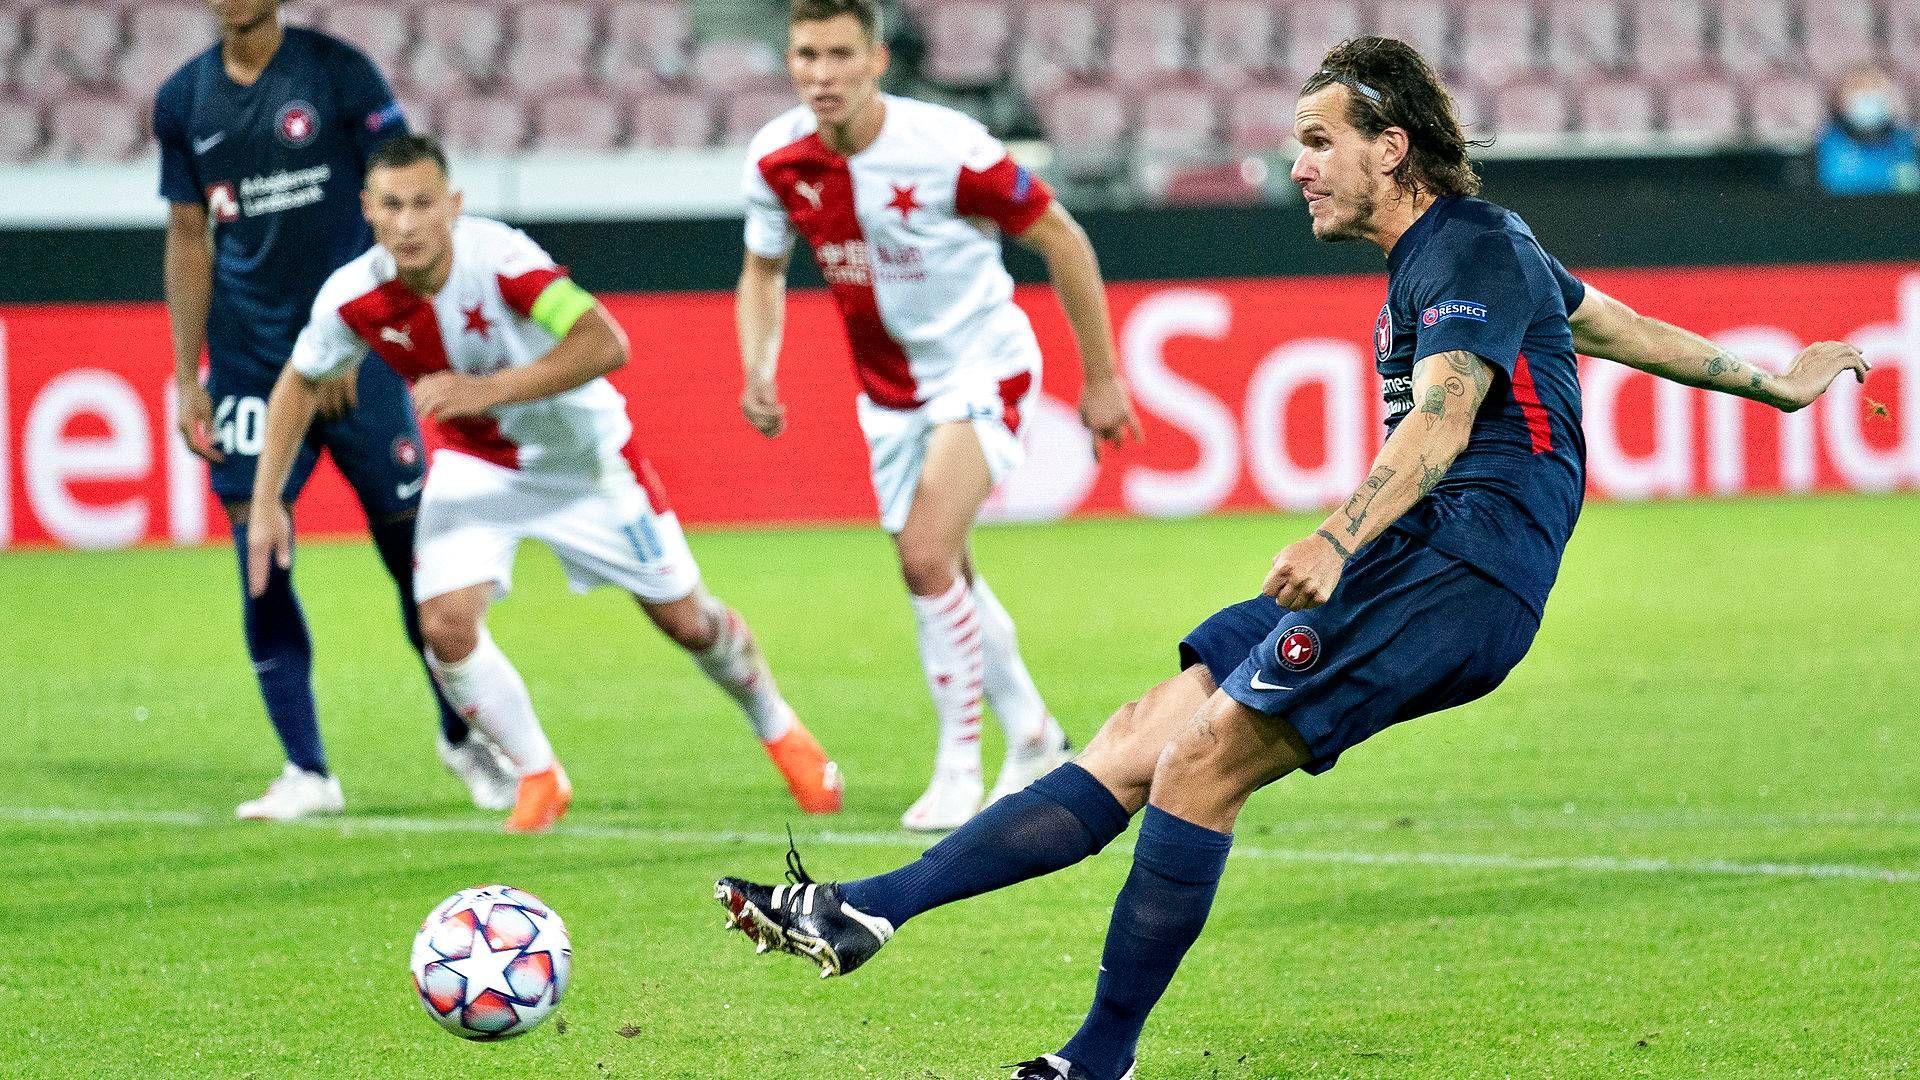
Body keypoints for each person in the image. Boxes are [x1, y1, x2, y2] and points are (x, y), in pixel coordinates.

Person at [713, 37, 1872, 1079]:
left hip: (1462, 564)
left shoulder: (1464, 245)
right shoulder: (1474, 253)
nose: (1298, 166)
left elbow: (1445, 418)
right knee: (1142, 734)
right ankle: (868, 910)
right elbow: (1611, 324)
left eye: (1320, 142)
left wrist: (1335, 534)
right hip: (1418, 553)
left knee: (1202, 764)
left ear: (1394, 147)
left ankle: (1097, 1060)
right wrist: (1773, 385)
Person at [247, 135, 843, 832]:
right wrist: (266, 504)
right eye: (391, 206)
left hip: (586, 461)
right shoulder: (354, 297)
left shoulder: (502, 262)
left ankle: (780, 729)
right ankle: (537, 773)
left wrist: (486, 389)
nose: (407, 223)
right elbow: (301, 378)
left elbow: (605, 342)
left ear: (454, 207)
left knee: (688, 620)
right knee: (442, 623)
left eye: (422, 204)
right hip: (478, 465)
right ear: (367, 211)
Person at [736, 0, 1143, 831]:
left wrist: (1101, 379)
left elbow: (1063, 239)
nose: (823, 73)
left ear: (877, 59)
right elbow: (761, 270)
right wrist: (757, 366)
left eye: (840, 54)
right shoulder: (776, 159)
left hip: (983, 367)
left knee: (924, 556)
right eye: (807, 55)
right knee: (944, 570)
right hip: (889, 396)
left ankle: (960, 765)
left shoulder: (948, 149)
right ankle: (1032, 731)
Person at [154, 0, 515, 820]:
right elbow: (186, 236)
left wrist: (353, 337)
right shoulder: (182, 101)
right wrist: (186, 376)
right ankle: (306, 770)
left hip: (358, 353)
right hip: (249, 365)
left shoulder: (339, 74)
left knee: (411, 561)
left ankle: (464, 738)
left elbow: (396, 208)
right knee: (260, 549)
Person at [1815, 64, 1919, 195]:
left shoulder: (1905, 140)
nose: (1868, 98)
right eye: (1858, 89)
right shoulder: (1827, 138)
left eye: (1875, 88)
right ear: (1840, 99)